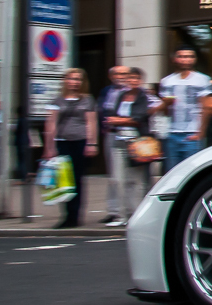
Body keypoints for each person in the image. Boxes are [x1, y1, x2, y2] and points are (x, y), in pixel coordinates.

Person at [42, 68, 98, 229]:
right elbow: (51, 124)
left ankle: (75, 216)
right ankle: (66, 215)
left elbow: (91, 122)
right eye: (71, 79)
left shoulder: (87, 100)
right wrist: (49, 147)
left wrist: (92, 143)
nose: (74, 82)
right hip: (63, 142)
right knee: (63, 180)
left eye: (78, 79)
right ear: (65, 81)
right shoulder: (57, 100)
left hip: (80, 142)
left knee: (77, 180)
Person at [104, 68, 153, 226]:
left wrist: (118, 121)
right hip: (119, 140)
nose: (132, 81)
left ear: (140, 81)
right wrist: (117, 121)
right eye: (130, 78)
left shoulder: (143, 96)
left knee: (135, 181)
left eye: (136, 78)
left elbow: (139, 117)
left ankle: (135, 215)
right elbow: (112, 115)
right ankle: (121, 215)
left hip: (137, 141)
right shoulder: (121, 95)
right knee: (118, 180)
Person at [158, 47, 212, 171]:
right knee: (171, 172)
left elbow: (206, 107)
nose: (185, 60)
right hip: (171, 133)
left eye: (189, 56)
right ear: (175, 59)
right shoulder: (167, 81)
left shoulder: (202, 79)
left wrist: (201, 133)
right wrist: (166, 104)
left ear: (194, 59)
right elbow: (165, 112)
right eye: (182, 56)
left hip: (192, 133)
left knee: (192, 171)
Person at [95, 65, 128, 223]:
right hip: (110, 134)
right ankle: (113, 210)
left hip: (129, 136)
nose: (120, 76)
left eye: (124, 73)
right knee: (113, 177)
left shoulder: (133, 91)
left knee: (127, 177)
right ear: (111, 76)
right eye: (117, 73)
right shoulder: (106, 91)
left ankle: (126, 211)